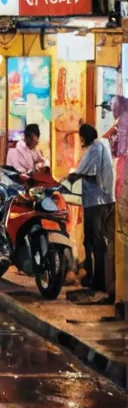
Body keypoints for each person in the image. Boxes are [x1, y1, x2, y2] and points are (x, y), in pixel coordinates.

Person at [66, 123, 116, 298]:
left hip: (96, 202)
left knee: (95, 242)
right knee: (93, 241)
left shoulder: (95, 148)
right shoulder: (103, 145)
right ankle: (93, 278)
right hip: (107, 200)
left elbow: (80, 173)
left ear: (85, 137)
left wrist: (66, 181)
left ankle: (98, 282)